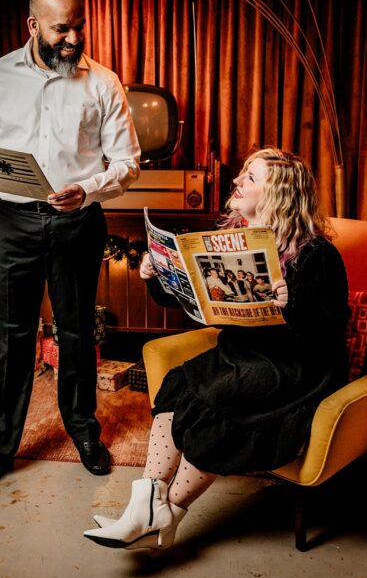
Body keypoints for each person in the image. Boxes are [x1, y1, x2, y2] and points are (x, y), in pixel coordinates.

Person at [84, 147, 349, 550]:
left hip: (296, 367)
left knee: (212, 401)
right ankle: (146, 504)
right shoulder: (229, 240)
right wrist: (155, 276)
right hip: (242, 352)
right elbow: (189, 299)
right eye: (242, 174)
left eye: (251, 178)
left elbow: (330, 331)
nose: (238, 182)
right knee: (178, 384)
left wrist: (290, 304)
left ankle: (167, 510)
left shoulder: (318, 254)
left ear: (280, 194)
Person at [0, 0, 141, 497]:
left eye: (79, 26)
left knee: (76, 334)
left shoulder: (104, 83)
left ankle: (84, 435)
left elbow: (128, 164)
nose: (73, 38)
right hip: (11, 223)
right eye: (61, 28)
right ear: (32, 26)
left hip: (78, 222)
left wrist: (89, 187)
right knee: (12, 339)